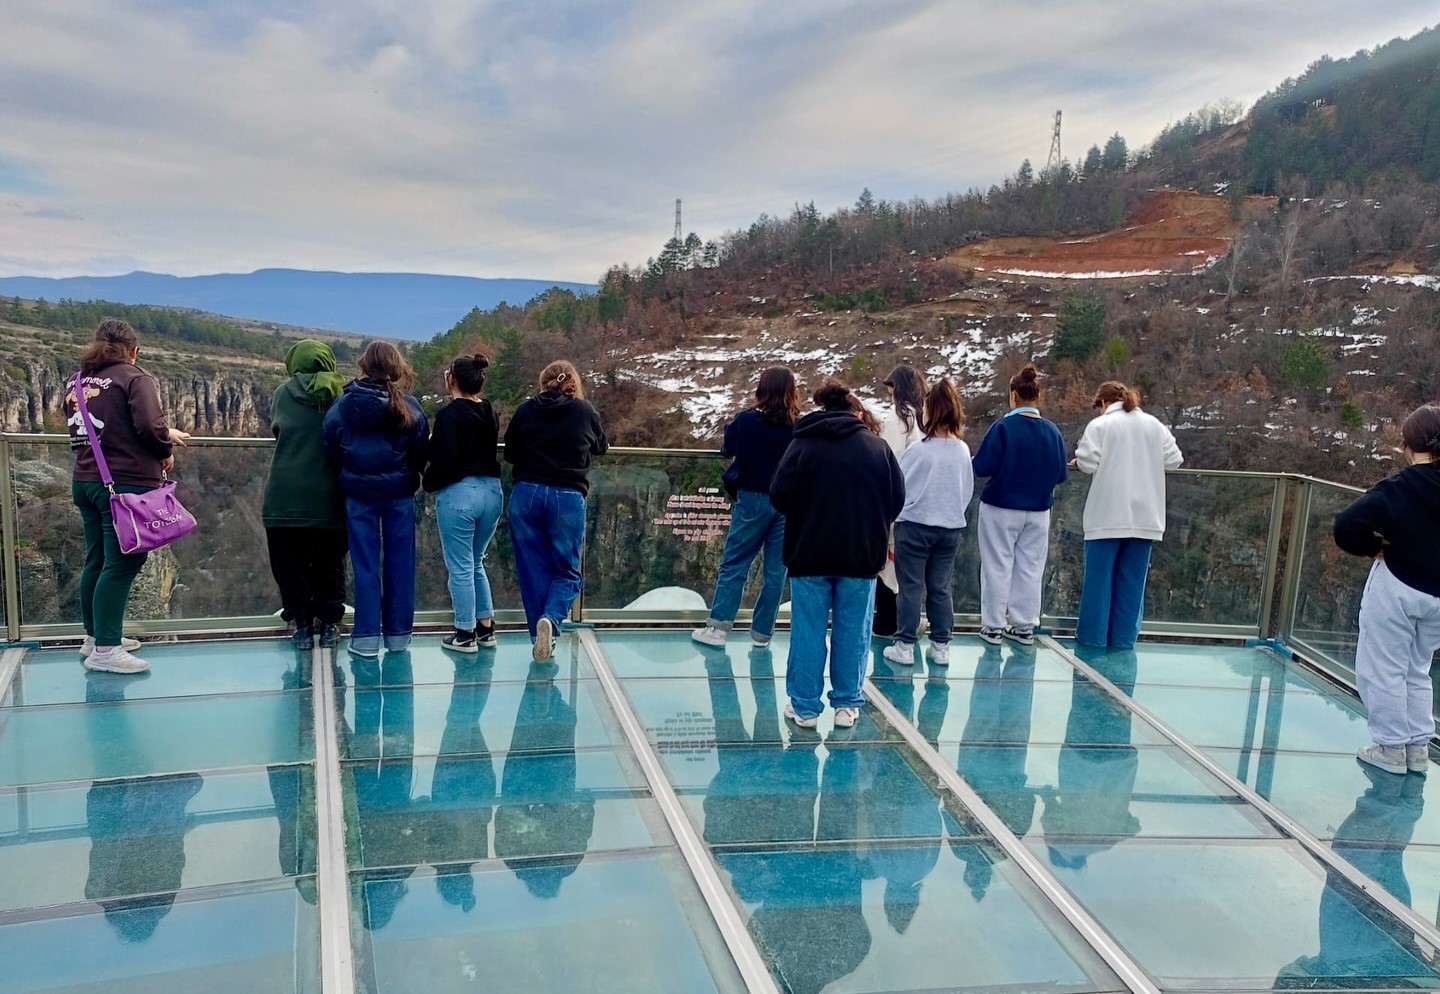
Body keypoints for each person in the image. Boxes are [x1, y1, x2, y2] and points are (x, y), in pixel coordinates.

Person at [771, 378, 905, 729]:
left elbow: (778, 495)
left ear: (822, 408)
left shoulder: (802, 444)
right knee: (853, 630)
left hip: (808, 553)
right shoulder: (876, 448)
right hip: (860, 555)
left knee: (808, 630)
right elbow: (897, 500)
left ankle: (804, 707)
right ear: (854, 410)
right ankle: (846, 704)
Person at [66, 319, 191, 674]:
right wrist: (165, 446)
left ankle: (94, 638)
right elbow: (149, 427)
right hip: (123, 485)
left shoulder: (78, 380)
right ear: (133, 350)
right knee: (122, 563)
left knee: (96, 559)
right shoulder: (135, 378)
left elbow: (97, 425)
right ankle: (106, 649)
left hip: (86, 480)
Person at [1334, 404, 1440, 776]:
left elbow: (1346, 525)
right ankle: (1418, 749)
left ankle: (1391, 748)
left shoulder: (1400, 487)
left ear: (1409, 446)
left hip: (1398, 587)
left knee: (1383, 668)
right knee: (1417, 669)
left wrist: (1374, 546)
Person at [323, 342, 428, 658]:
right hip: (399, 496)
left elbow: (330, 450)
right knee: (400, 564)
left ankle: (366, 638)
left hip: (358, 496)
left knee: (365, 565)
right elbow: (421, 453)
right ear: (395, 368)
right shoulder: (408, 407)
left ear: (363, 365)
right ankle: (398, 637)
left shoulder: (342, 407)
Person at [504, 360, 608, 661]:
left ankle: (540, 637)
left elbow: (510, 452)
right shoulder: (584, 411)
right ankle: (550, 619)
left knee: (532, 569)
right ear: (572, 382)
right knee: (567, 570)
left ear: (542, 382)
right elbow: (601, 446)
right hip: (567, 495)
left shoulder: (525, 410)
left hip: (526, 494)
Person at [692, 366, 798, 648]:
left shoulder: (747, 421)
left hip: (752, 498)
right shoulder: (796, 426)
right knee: (776, 572)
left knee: (735, 564)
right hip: (785, 504)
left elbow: (727, 449)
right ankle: (763, 632)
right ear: (791, 392)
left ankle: (718, 629)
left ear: (761, 389)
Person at [1072, 380, 1183, 649]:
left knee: (1098, 585)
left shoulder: (1100, 426)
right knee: (1132, 586)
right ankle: (1123, 642)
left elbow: (1087, 463)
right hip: (1146, 518)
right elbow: (1174, 459)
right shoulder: (1154, 425)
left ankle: (1092, 641)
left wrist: (1077, 463)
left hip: (1106, 516)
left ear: (1103, 403)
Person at [971, 364, 1069, 646]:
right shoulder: (1052, 431)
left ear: (1013, 395)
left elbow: (983, 466)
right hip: (1039, 511)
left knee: (997, 564)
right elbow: (1060, 474)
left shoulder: (1003, 427)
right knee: (1030, 566)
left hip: (1001, 507)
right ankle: (1025, 625)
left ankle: (993, 626)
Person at [263, 340, 348, 650]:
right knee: (331, 561)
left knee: (289, 563)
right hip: (330, 494)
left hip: (285, 496)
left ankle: (301, 625)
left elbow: (277, 429)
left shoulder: (282, 393)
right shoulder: (340, 395)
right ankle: (329, 625)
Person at [885, 378, 974, 667]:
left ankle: (905, 645)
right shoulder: (961, 450)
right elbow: (967, 491)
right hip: (949, 528)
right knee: (940, 586)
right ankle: (941, 644)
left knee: (911, 586)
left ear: (930, 412)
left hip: (915, 526)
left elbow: (899, 486)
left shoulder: (919, 451)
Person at [423, 353, 504, 653]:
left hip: (460, 495)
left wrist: (428, 483)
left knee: (459, 567)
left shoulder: (448, 416)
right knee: (475, 561)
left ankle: (464, 633)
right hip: (492, 492)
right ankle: (486, 628)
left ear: (451, 380)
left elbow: (444, 461)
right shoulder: (490, 411)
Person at [875, 365, 927, 636]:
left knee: (888, 566)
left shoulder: (897, 423)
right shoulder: (927, 419)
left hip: (895, 505)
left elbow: (887, 461)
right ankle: (910, 622)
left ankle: (887, 623)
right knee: (913, 571)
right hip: (924, 508)